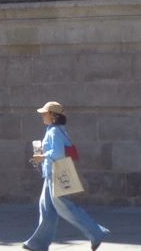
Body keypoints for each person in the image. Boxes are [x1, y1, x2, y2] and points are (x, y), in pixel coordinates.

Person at [23, 100, 109, 251]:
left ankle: (96, 233)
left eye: (45, 113)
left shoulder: (55, 131)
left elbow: (57, 153)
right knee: (47, 210)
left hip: (56, 175)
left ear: (53, 116)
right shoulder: (56, 129)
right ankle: (37, 244)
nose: (42, 115)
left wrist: (42, 157)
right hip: (51, 174)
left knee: (66, 208)